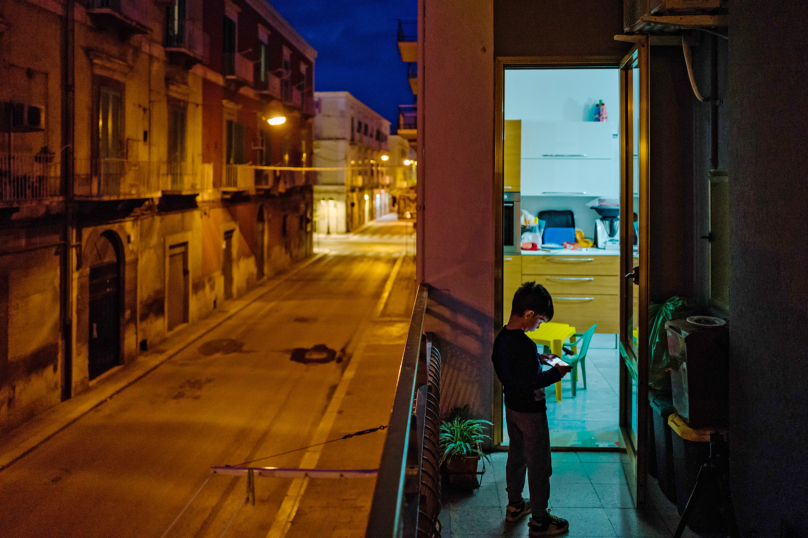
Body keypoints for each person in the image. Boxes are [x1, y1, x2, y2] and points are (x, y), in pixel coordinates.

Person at [492, 281, 573, 536]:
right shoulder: (525, 344)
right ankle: (539, 521)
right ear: (528, 314)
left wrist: (540, 358)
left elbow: (512, 373)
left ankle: (515, 505)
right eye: (539, 321)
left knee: (516, 457)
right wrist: (556, 373)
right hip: (531, 413)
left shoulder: (503, 339)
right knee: (539, 465)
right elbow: (528, 381)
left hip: (512, 410)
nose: (538, 326)